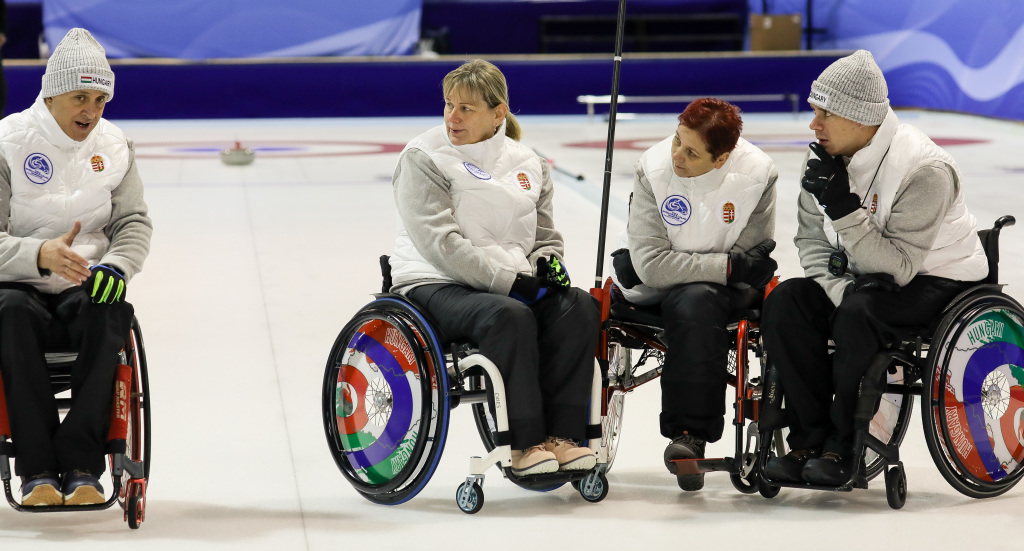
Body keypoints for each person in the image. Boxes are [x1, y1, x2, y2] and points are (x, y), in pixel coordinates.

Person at [760, 50, 988, 486]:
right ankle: (808, 440)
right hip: (857, 284)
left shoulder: (925, 169)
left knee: (862, 312)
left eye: (825, 113)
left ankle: (844, 446)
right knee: (787, 300)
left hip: (939, 280)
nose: (814, 124)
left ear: (861, 118)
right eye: (814, 111)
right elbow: (808, 241)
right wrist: (836, 289)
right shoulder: (823, 159)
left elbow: (899, 269)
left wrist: (844, 209)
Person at [388, 59, 598, 476]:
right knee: (509, 315)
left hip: (508, 282)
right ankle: (523, 445)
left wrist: (546, 264)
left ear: (498, 112)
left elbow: (544, 236)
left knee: (579, 307)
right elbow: (440, 243)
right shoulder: (424, 156)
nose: (453, 117)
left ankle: (563, 437)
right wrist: (507, 283)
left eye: (466, 108)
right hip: (434, 281)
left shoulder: (529, 162)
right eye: (448, 105)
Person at [0, 28, 152, 506]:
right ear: (51, 94)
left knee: (110, 311)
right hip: (15, 282)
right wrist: (37, 254)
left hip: (83, 280)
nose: (92, 110)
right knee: (10, 314)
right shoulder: (7, 142)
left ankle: (83, 464)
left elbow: (133, 222)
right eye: (80, 97)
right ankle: (38, 469)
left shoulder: (116, 146)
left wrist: (117, 266)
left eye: (101, 99)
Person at [610, 98, 778, 491]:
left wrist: (700, 267)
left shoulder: (759, 174)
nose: (677, 156)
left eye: (691, 152)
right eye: (676, 141)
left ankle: (692, 437)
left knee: (698, 298)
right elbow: (651, 266)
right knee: (696, 298)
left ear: (721, 159)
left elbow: (755, 253)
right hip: (647, 285)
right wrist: (726, 266)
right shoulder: (652, 168)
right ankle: (687, 433)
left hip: (716, 292)